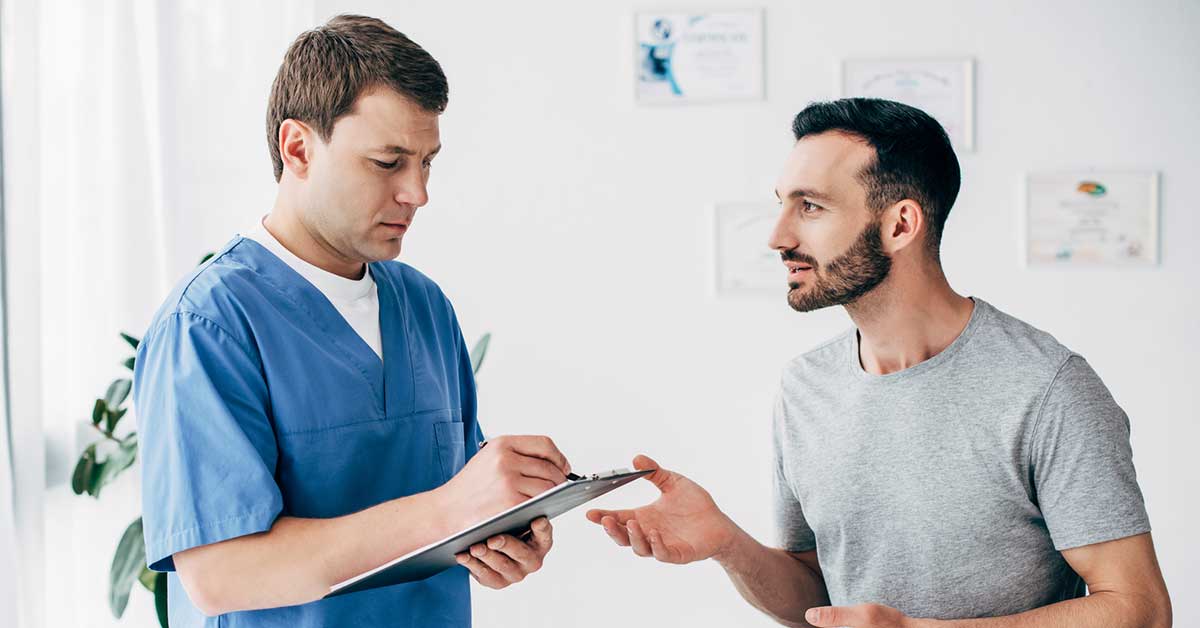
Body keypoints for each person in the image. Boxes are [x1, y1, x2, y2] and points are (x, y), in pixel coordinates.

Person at [587, 98, 1172, 627]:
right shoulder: (806, 387)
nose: (776, 236)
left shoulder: (1048, 388)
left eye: (810, 207)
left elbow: (1138, 608)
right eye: (782, 205)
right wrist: (727, 544)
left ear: (899, 225)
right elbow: (816, 598)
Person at [134, 15, 569, 627]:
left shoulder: (424, 307)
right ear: (298, 148)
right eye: (388, 162)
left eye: (427, 163)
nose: (417, 193)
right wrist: (448, 510)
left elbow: (452, 505)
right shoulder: (208, 325)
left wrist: (499, 531)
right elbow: (220, 574)